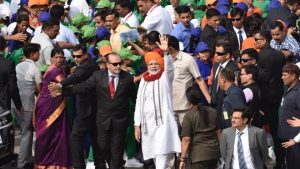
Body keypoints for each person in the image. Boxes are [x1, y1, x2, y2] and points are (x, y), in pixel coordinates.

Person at [53, 52, 137, 169]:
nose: (118, 66)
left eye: (120, 63)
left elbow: (135, 97)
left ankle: (115, 166)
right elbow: (83, 87)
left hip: (120, 121)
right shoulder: (98, 76)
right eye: (114, 64)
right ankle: (116, 164)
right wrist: (63, 91)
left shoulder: (127, 78)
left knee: (117, 150)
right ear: (108, 64)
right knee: (103, 147)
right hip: (103, 120)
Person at [48, 45, 106, 169]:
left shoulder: (87, 65)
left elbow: (76, 77)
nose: (76, 59)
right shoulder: (89, 64)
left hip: (88, 109)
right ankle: (99, 165)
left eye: (79, 56)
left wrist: (60, 85)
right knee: (95, 138)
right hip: (93, 108)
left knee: (75, 137)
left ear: (85, 55)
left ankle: (79, 166)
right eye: (74, 56)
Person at [134, 35, 181, 169]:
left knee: (161, 153)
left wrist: (166, 53)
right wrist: (137, 124)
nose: (154, 66)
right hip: (148, 124)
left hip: (163, 123)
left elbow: (170, 69)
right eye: (151, 64)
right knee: (155, 155)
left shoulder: (165, 77)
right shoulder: (144, 80)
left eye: (156, 64)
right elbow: (139, 102)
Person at [34, 47, 72, 169]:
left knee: (54, 135)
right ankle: (50, 163)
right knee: (51, 135)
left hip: (49, 106)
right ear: (51, 58)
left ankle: (50, 163)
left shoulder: (53, 69)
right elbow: (66, 84)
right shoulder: (55, 71)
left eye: (61, 57)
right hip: (50, 108)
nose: (59, 59)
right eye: (56, 57)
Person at [254, 30, 286, 168]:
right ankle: (280, 161)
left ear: (264, 41)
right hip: (277, 98)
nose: (254, 41)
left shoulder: (261, 56)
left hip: (264, 100)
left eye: (256, 39)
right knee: (276, 132)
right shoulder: (280, 55)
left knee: (258, 132)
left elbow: (264, 78)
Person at [168, 35, 211, 124]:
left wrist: (209, 99)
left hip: (185, 106)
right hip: (169, 106)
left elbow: (199, 80)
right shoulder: (165, 60)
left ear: (170, 48)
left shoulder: (188, 59)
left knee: (187, 135)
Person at [180, 86, 221, 169]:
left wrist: (182, 159)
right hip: (214, 154)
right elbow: (218, 132)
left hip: (198, 156)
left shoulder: (189, 116)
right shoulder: (213, 111)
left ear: (189, 100)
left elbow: (186, 139)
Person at [16, 43, 41, 169]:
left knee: (26, 133)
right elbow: (39, 89)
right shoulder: (35, 69)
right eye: (38, 52)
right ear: (32, 54)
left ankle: (27, 160)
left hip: (17, 105)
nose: (39, 55)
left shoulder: (18, 66)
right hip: (28, 106)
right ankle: (22, 164)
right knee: (27, 134)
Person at [278, 63, 300, 169]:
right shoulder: (288, 89)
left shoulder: (298, 92)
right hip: (287, 138)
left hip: (296, 139)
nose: (282, 78)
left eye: (284, 75)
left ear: (293, 76)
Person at [211, 40, 239, 117]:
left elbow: (234, 89)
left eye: (219, 54)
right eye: (216, 52)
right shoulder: (216, 65)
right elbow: (214, 83)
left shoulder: (234, 69)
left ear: (227, 55)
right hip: (214, 104)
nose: (216, 55)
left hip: (225, 107)